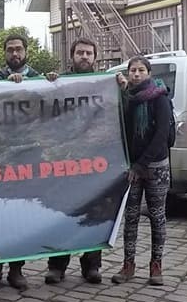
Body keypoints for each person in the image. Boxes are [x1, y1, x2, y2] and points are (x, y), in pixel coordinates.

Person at [44, 38, 105, 285]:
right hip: (65, 161)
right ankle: (57, 265)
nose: (84, 56)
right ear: (72, 56)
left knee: (96, 213)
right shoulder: (59, 83)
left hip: (96, 161)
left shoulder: (105, 83)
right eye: (80, 52)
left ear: (95, 57)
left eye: (89, 53)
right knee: (64, 213)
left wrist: (122, 85)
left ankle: (92, 265)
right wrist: (48, 83)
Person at [112, 56, 171, 286]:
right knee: (131, 217)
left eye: (140, 70)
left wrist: (141, 164)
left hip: (156, 167)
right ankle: (128, 265)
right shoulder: (128, 97)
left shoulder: (159, 97)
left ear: (149, 73)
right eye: (132, 70)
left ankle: (156, 266)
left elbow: (161, 136)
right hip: (132, 168)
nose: (136, 74)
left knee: (157, 217)